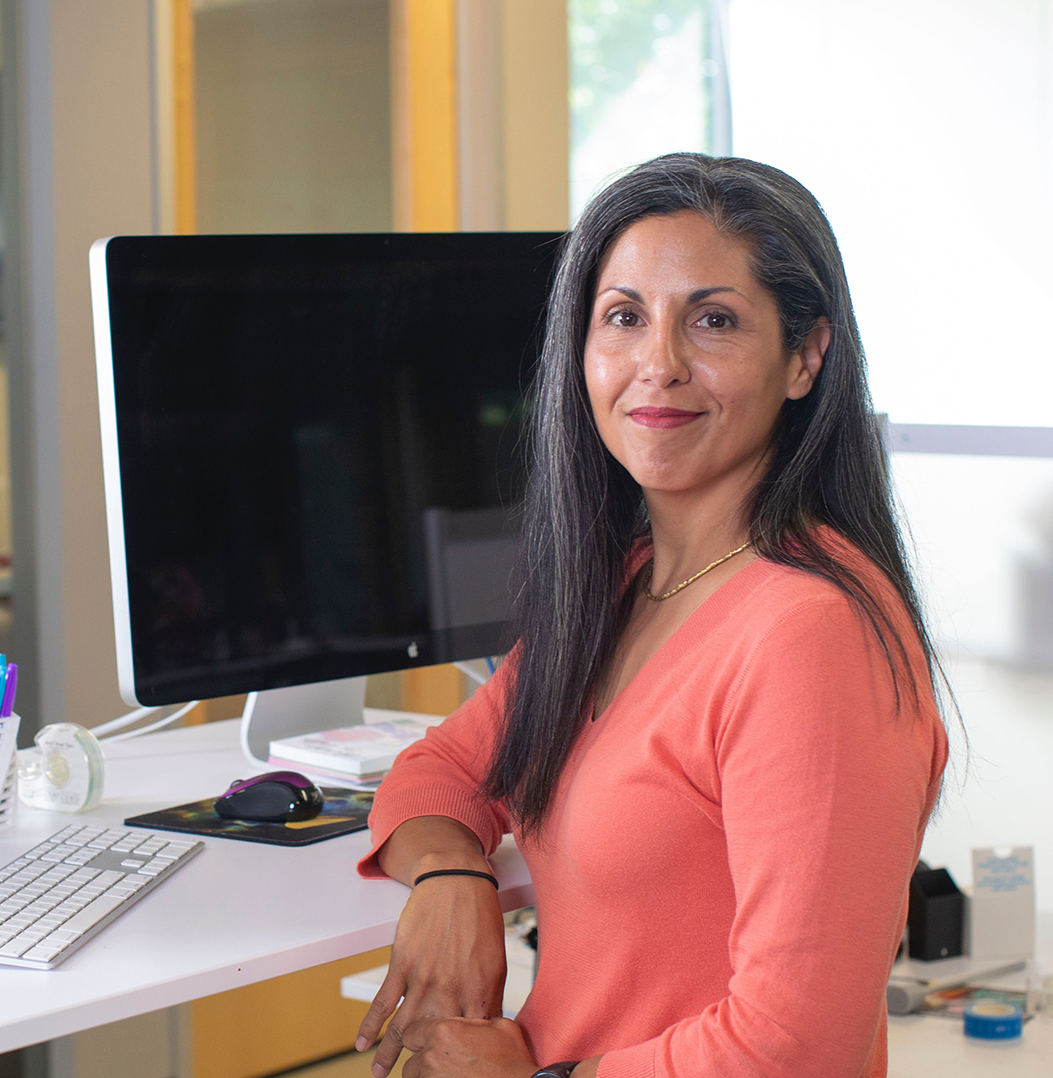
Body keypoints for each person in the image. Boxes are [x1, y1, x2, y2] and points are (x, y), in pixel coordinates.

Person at [353, 153, 950, 1078]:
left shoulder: (811, 633)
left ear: (805, 357)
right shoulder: (627, 584)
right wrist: (452, 874)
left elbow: (796, 1049)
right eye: (624, 317)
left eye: (713, 320)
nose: (658, 364)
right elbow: (439, 772)